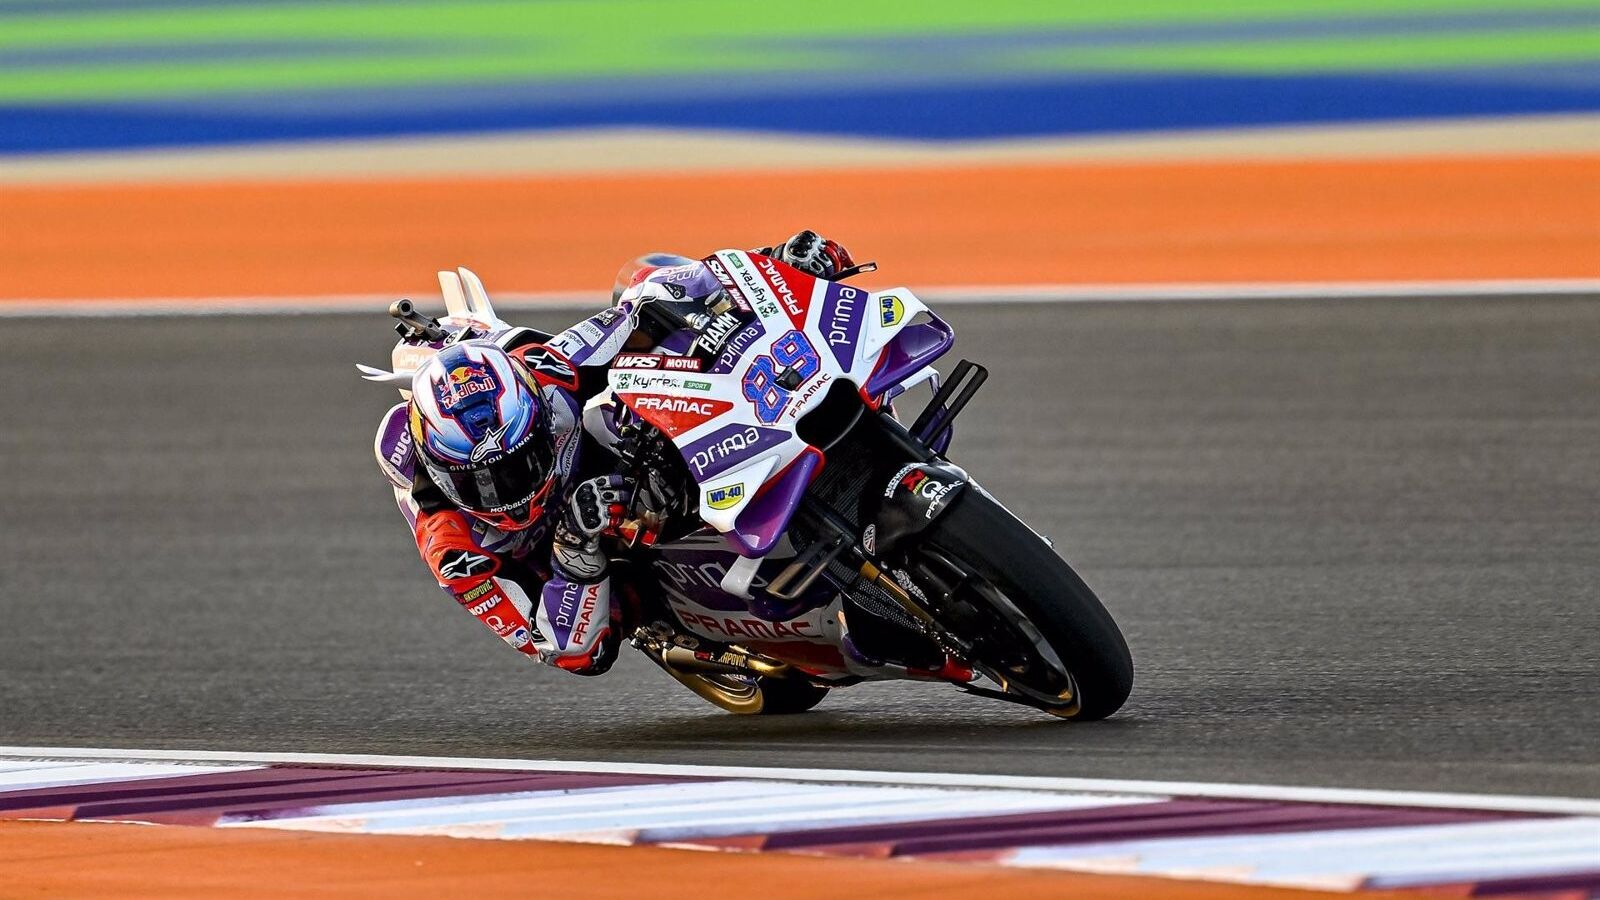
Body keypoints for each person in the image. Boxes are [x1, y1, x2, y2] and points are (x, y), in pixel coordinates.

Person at [373, 231, 856, 674]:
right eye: (479, 482)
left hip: (603, 466)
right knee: (597, 643)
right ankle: (676, 611)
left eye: (521, 463)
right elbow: (559, 647)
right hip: (555, 559)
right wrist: (574, 548)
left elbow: (642, 308)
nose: (506, 491)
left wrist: (776, 264)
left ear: (538, 414)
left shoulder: (548, 371)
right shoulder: (454, 549)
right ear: (438, 469)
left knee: (650, 278)